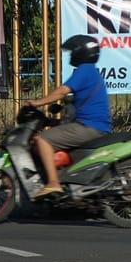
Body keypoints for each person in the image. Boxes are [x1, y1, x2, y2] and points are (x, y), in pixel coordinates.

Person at [25, 34, 111, 199]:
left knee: (43, 140)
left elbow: (62, 91)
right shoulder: (91, 72)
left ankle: (53, 184)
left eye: (73, 51)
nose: (71, 55)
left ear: (81, 53)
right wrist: (52, 121)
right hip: (90, 125)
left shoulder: (84, 69)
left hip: (89, 127)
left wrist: (37, 103)